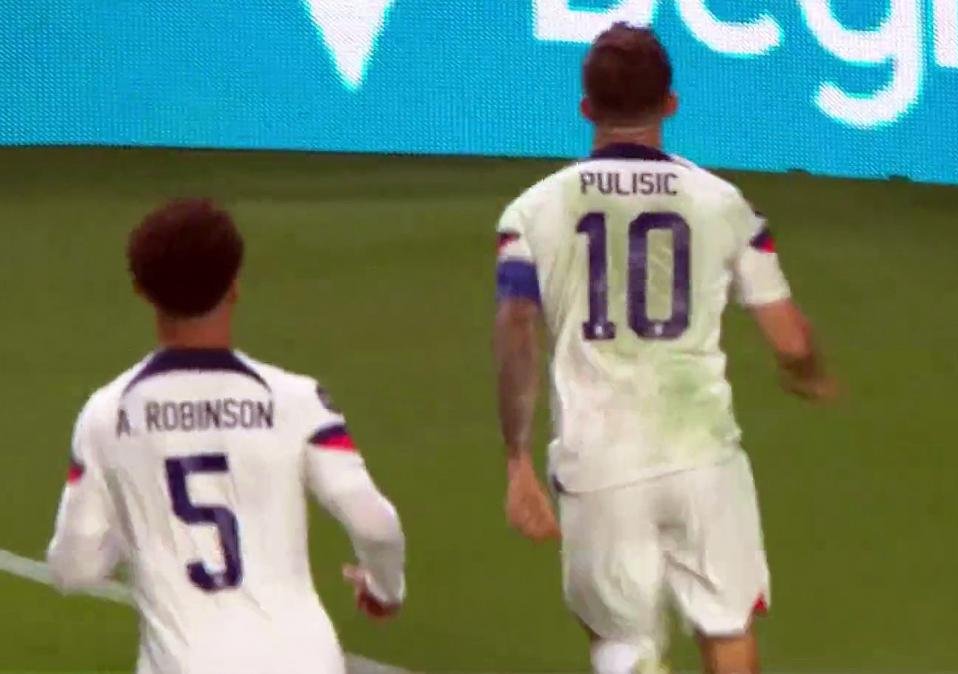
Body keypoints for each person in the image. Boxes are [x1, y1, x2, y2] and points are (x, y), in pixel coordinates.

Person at [492, 22, 837, 674]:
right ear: (671, 104)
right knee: (727, 627)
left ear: (586, 109)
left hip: (600, 463)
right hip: (702, 454)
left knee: (622, 644)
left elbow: (515, 328)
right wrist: (808, 372)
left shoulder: (532, 213)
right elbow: (788, 336)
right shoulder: (725, 205)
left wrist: (517, 461)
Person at [46, 199, 406, 674]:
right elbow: (375, 523)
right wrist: (384, 589)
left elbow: (73, 568)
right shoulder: (296, 400)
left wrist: (131, 524)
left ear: (141, 290)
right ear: (235, 284)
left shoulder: (108, 414)